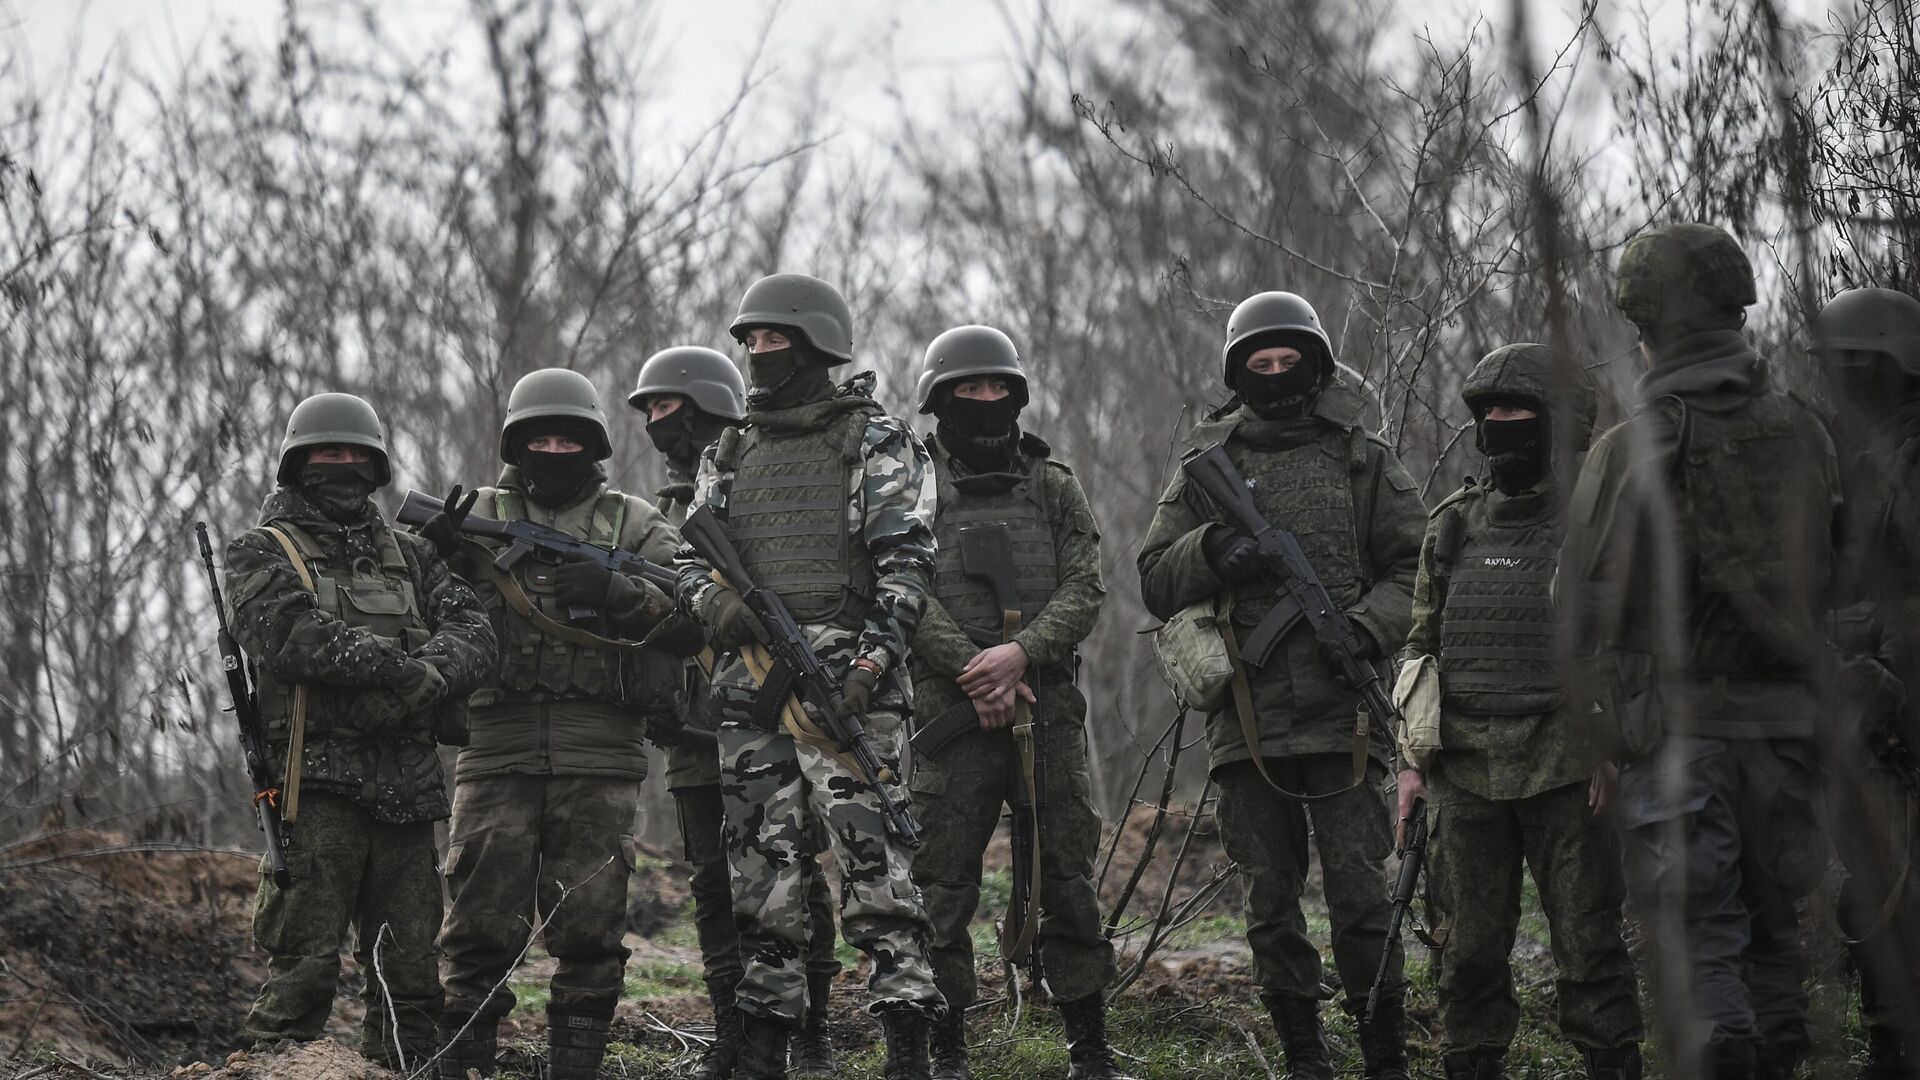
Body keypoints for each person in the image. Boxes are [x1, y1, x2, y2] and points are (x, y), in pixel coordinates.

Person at [1563, 223, 1840, 1080]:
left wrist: (1600, 734)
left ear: (1644, 325)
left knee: (1701, 935)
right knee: (1774, 920)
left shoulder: (1633, 446)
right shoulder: (1805, 430)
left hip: (1681, 735)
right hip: (1788, 728)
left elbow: (1579, 604)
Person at [1138, 291, 1426, 1080]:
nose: (1273, 374)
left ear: (1315, 366)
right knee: (1270, 901)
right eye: (1257, 364)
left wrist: (1368, 628)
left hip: (1345, 718)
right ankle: (1305, 1056)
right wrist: (1215, 550)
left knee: (1364, 899)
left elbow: (1419, 566)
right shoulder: (1208, 465)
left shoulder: (1361, 458)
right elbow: (1154, 578)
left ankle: (1384, 1054)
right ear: (1238, 373)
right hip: (1249, 720)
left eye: (1287, 360)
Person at [678, 273, 945, 1080]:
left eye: (774, 341)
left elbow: (909, 566)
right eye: (750, 341)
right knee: (761, 883)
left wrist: (866, 668)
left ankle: (906, 1049)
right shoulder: (728, 450)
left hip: (848, 698)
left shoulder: (874, 440)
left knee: (879, 879)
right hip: (751, 699)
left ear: (815, 347)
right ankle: (765, 1053)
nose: (759, 354)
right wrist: (716, 608)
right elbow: (692, 561)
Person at [1394, 344, 1643, 1080]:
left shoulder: (1597, 525)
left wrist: (1612, 742)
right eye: (1489, 412)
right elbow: (1422, 644)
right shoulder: (1453, 525)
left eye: (1517, 411)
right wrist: (1410, 765)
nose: (1499, 425)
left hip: (1566, 761)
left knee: (1589, 943)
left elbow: (1630, 640)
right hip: (1463, 766)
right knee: (1465, 949)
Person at [225, 392, 495, 1068]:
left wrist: (427, 675)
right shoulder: (261, 550)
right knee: (301, 975)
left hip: (407, 790)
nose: (342, 464)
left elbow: (477, 631)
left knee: (410, 983)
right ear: (298, 463)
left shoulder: (412, 555)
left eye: (355, 453)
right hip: (313, 791)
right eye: (327, 451)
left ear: (374, 464)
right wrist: (402, 673)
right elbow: (288, 636)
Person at [431, 368, 684, 1080]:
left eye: (566, 438)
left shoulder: (633, 522)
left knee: (591, 925)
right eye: (538, 438)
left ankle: (577, 1066)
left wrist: (619, 593)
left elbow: (693, 617)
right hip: (494, 746)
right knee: (477, 925)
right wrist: (439, 553)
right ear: (516, 444)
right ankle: (465, 1065)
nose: (552, 449)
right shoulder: (474, 512)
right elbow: (411, 608)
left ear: (592, 445)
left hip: (600, 749)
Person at [903, 325, 1132, 1080]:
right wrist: (973, 667)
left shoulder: (1053, 482)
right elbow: (899, 588)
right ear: (941, 399)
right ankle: (947, 1051)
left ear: (1017, 395)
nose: (985, 401)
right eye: (968, 390)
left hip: (1046, 707)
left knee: (1065, 875)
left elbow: (1086, 585)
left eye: (997, 388)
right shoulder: (914, 486)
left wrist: (1020, 654)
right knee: (942, 882)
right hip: (951, 711)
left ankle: (1089, 1050)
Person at [628, 345, 843, 1078]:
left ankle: (809, 1030)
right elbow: (658, 618)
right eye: (651, 412)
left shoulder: (754, 483)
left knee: (794, 872)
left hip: (774, 709)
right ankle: (734, 1032)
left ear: (709, 409)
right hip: (694, 728)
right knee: (715, 884)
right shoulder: (655, 515)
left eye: (671, 409)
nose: (661, 425)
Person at [1809, 287, 1920, 1080]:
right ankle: (1887, 1035)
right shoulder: (1849, 455)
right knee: (1872, 883)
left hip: (1901, 700)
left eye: (1858, 365)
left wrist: (1880, 655)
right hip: (1860, 706)